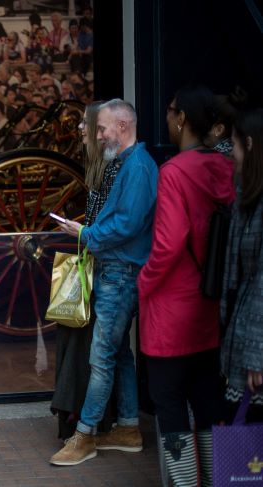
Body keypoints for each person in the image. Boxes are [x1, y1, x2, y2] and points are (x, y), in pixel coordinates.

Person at [51, 99, 158, 466]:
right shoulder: (128, 164)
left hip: (120, 272)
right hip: (117, 270)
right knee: (120, 355)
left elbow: (126, 225)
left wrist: (87, 233)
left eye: (102, 129)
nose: (97, 134)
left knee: (101, 358)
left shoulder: (138, 167)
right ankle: (128, 427)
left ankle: (85, 435)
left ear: (123, 127)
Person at [138, 85, 235, 486]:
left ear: (181, 119)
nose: (166, 118)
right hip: (210, 307)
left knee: (172, 407)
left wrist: (142, 283)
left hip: (170, 312)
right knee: (211, 404)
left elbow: (168, 243)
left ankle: (183, 483)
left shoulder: (174, 172)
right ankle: (221, 480)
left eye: (170, 111)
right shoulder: (229, 167)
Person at [50, 101, 119, 440]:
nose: (79, 130)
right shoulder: (97, 167)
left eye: (85, 125)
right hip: (93, 260)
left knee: (90, 344)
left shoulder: (109, 169)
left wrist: (83, 231)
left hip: (101, 265)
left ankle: (84, 419)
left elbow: (109, 222)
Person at [221, 108, 263, 425]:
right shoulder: (247, 197)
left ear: (249, 144)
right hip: (244, 332)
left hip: (255, 347)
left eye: (234, 145)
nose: (231, 153)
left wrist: (256, 356)